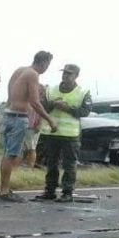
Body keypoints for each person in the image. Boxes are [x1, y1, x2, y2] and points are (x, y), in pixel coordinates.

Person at [0, 51, 58, 202]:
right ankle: (4, 191)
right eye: (47, 65)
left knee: (7, 153)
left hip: (8, 114)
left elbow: (10, 90)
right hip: (19, 117)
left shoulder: (19, 70)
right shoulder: (33, 74)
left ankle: (4, 188)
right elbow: (35, 101)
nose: (46, 68)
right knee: (11, 154)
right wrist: (49, 120)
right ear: (43, 63)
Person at [35, 64, 91, 203]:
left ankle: (67, 192)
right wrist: (53, 104)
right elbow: (43, 108)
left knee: (69, 165)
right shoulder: (51, 90)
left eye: (69, 74)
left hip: (70, 135)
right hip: (52, 133)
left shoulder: (82, 92)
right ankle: (50, 191)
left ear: (76, 76)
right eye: (64, 73)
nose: (65, 76)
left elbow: (85, 112)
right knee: (51, 164)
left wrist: (67, 108)